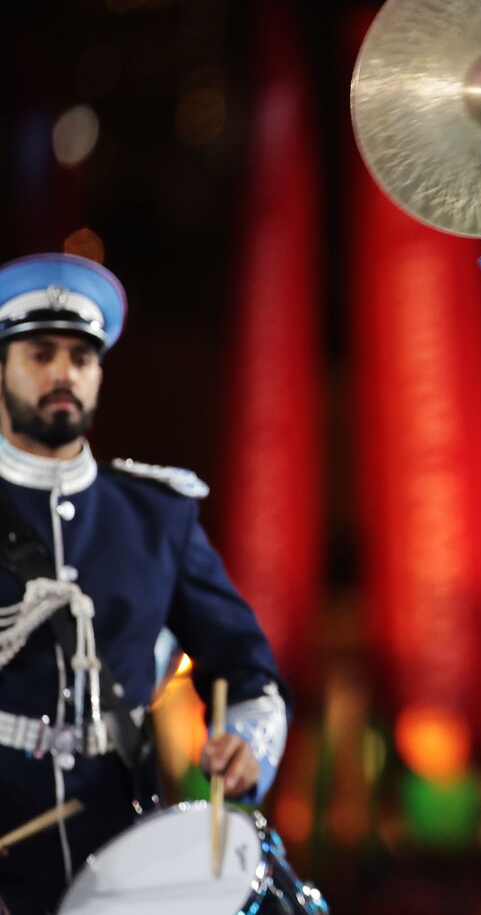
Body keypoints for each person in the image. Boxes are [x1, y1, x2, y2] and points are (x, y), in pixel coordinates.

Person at [0, 253, 288, 915]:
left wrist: (248, 743)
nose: (64, 372)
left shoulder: (158, 515)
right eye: (40, 353)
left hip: (124, 836)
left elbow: (249, 670)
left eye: (82, 356)